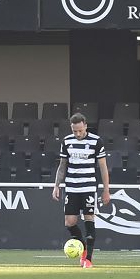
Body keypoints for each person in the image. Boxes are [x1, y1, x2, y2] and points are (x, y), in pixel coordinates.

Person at [52, 113, 111, 268]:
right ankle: (83, 247)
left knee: (89, 218)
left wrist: (106, 190)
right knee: (70, 222)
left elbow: (103, 167)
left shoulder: (96, 141)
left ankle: (88, 258)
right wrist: (56, 185)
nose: (77, 134)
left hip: (89, 187)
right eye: (74, 131)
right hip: (71, 187)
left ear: (85, 125)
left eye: (80, 130)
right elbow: (62, 165)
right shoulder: (66, 141)